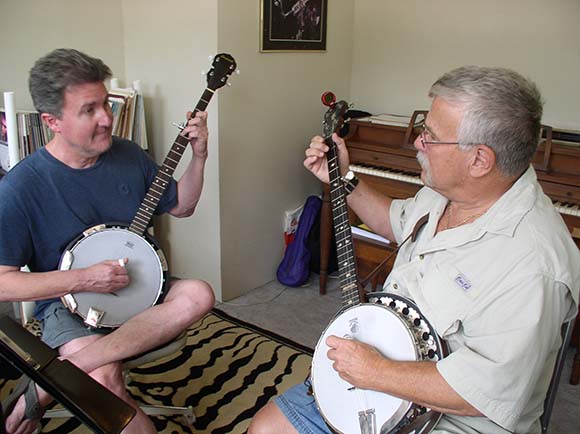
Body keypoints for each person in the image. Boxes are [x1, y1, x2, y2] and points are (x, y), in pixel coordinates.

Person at [249, 66, 580, 433]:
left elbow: (482, 392)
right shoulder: (446, 192)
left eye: (431, 137)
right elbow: (394, 221)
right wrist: (342, 177)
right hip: (377, 374)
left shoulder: (533, 264)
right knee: (265, 427)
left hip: (449, 420)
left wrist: (376, 371)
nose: (418, 143)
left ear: (480, 160)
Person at [0, 48, 215, 434]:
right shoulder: (20, 189)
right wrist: (83, 280)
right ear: (53, 121)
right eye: (89, 110)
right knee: (106, 382)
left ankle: (62, 373)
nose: (107, 119)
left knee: (199, 293)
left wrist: (199, 156)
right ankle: (90, 366)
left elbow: (182, 207)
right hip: (68, 306)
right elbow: (2, 283)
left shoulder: (129, 155)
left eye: (106, 105)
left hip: (142, 287)